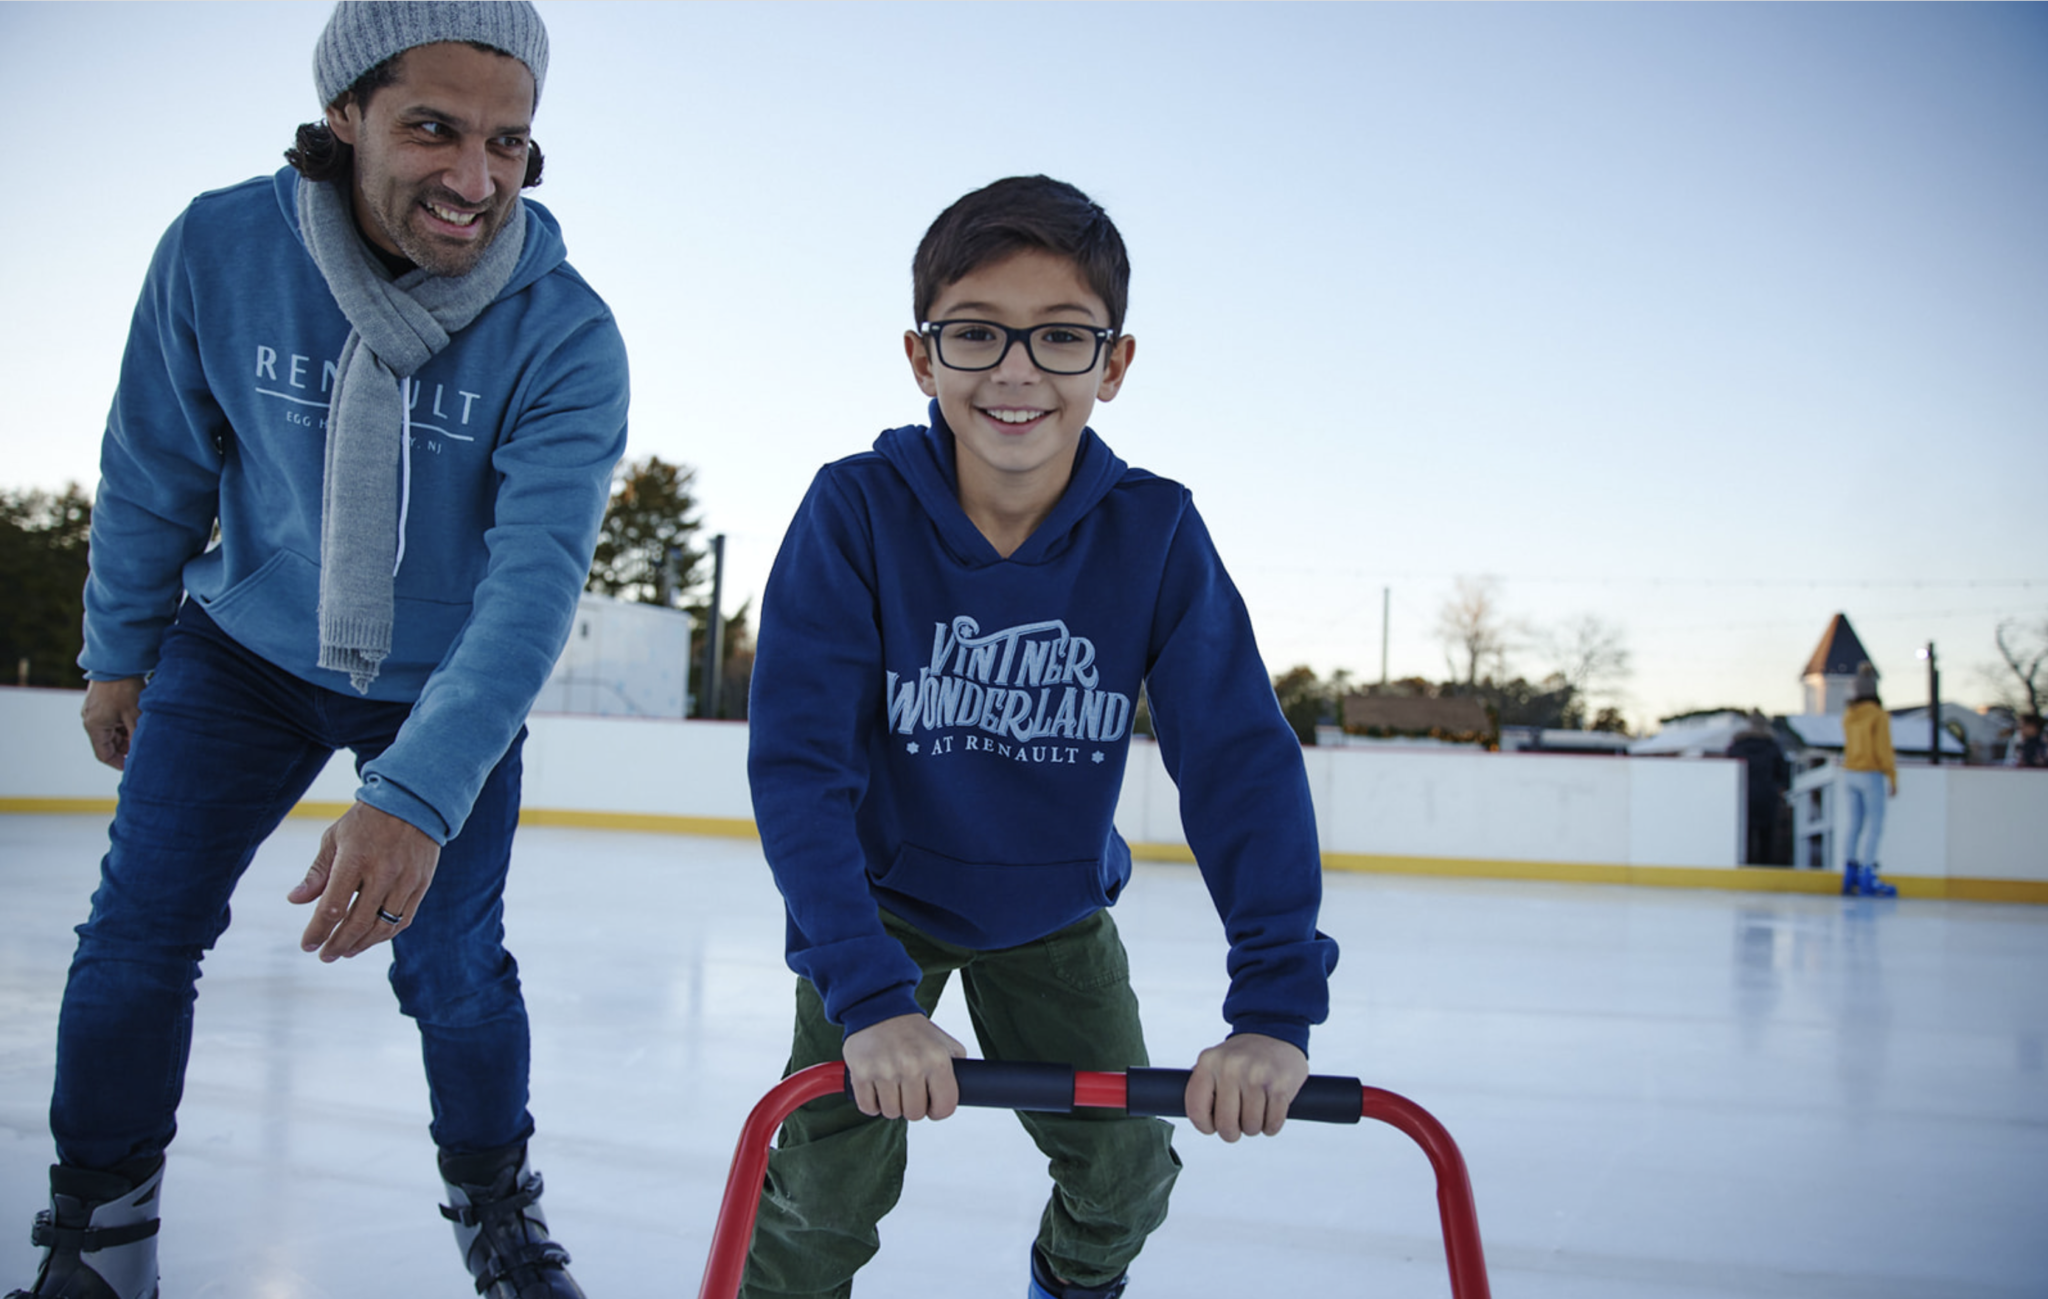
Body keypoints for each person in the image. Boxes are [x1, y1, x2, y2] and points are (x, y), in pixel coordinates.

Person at [14, 5, 629, 1297]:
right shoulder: (222, 248)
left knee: (456, 966)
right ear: (343, 115)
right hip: (238, 651)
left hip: (444, 682)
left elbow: (531, 593)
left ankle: (498, 1210)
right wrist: (120, 649)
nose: (477, 178)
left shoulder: (566, 333)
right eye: (434, 129)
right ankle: (101, 1230)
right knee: (136, 935)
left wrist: (414, 791)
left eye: (510, 142)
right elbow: (154, 468)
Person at [742, 175, 1340, 1299]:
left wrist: (1272, 1008)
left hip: (1053, 912)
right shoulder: (855, 511)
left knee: (1122, 1173)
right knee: (823, 1194)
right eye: (975, 333)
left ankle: (1067, 1287)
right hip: (873, 911)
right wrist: (868, 1001)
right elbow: (798, 768)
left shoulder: (1152, 531)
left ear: (1112, 365)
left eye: (1060, 337)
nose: (1015, 370)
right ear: (921, 357)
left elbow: (1238, 765)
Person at [1841, 663, 1898, 898]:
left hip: (1850, 772)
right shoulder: (1878, 716)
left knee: (1854, 825)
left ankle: (1849, 873)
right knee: (1875, 826)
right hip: (1870, 772)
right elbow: (1883, 749)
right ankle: (1868, 875)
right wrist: (1892, 775)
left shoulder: (1849, 716)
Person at [1727, 710, 1791, 866]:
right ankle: (1765, 867)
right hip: (1767, 796)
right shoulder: (1772, 747)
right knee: (1766, 837)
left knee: (1743, 835)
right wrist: (1781, 788)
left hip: (1742, 795)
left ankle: (1743, 865)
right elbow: (1783, 773)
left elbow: (1728, 768)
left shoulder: (1737, 746)